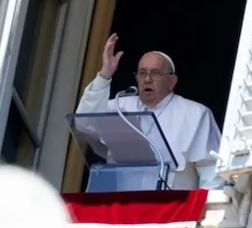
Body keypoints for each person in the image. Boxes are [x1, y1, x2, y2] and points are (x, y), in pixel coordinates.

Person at [75, 33, 225, 190]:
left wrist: (205, 210)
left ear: (171, 82)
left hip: (173, 210)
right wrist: (105, 74)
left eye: (155, 73)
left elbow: (211, 171)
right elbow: (83, 122)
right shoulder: (121, 107)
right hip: (124, 205)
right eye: (142, 73)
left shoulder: (195, 114)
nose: (147, 79)